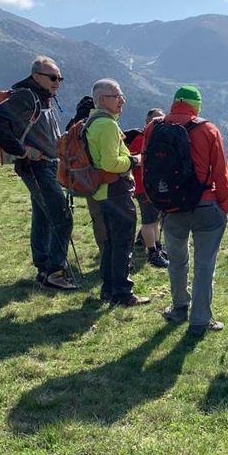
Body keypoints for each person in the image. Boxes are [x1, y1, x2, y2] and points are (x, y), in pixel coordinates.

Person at [0, 55, 76, 289]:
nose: (57, 82)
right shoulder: (27, 96)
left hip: (48, 165)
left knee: (44, 216)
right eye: (53, 77)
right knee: (62, 218)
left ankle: (44, 267)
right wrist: (21, 150)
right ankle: (55, 272)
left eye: (60, 78)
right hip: (37, 167)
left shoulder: (44, 97)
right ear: (36, 76)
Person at [149, 86, 228, 337]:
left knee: (177, 259)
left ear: (175, 103)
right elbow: (221, 173)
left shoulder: (154, 127)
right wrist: (224, 206)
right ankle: (200, 320)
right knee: (205, 265)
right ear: (196, 105)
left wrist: (159, 201)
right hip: (206, 204)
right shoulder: (208, 129)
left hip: (171, 206)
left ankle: (179, 307)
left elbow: (149, 168)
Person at [85, 78, 150, 307]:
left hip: (103, 192)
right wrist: (135, 160)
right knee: (122, 243)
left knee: (111, 243)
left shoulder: (93, 122)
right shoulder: (107, 125)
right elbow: (111, 163)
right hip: (116, 190)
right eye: (117, 96)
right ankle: (123, 293)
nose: (122, 100)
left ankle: (108, 289)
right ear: (103, 100)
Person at [126, 107, 169, 268]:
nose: (159, 122)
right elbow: (134, 161)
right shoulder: (141, 138)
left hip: (152, 186)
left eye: (162, 119)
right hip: (143, 186)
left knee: (155, 219)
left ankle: (156, 247)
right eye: (156, 119)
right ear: (147, 121)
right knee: (149, 220)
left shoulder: (154, 137)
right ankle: (152, 253)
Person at [65, 95, 107, 256]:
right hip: (102, 177)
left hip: (82, 178)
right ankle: (113, 256)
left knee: (97, 217)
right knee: (110, 217)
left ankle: (104, 252)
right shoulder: (98, 124)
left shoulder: (73, 126)